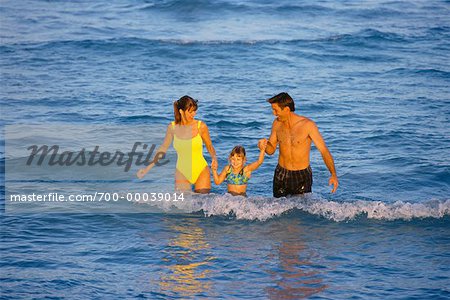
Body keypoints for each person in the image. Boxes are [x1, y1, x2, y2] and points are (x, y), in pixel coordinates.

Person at [258, 92, 338, 197]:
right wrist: (263, 147)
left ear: (286, 109)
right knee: (278, 208)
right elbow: (271, 151)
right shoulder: (276, 124)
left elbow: (324, 150)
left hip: (301, 175)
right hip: (281, 173)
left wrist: (333, 174)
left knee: (302, 209)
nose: (274, 113)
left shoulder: (307, 125)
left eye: (275, 110)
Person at [137, 95, 218, 193]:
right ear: (181, 111)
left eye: (195, 111)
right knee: (181, 205)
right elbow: (163, 149)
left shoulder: (201, 126)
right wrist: (147, 169)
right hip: (182, 171)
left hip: (200, 170)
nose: (193, 114)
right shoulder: (172, 127)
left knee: (203, 203)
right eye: (190, 111)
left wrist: (214, 158)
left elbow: (209, 146)